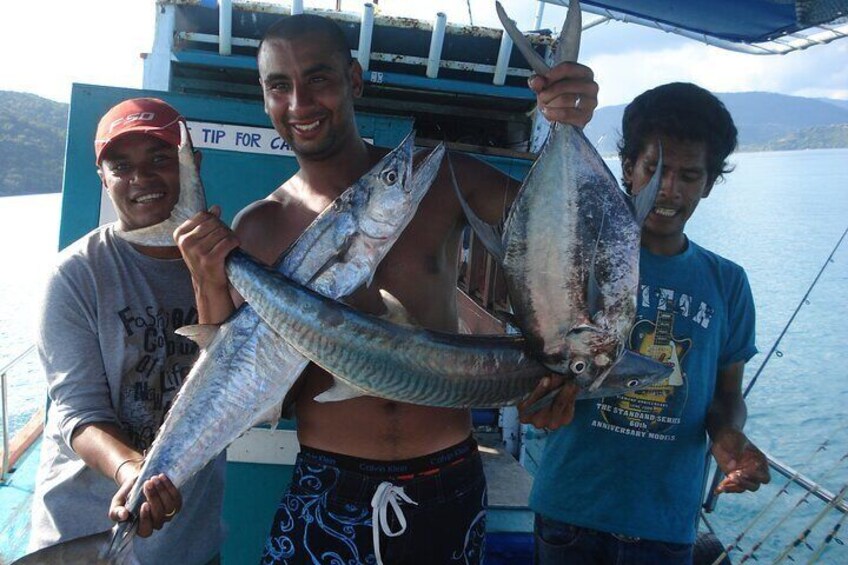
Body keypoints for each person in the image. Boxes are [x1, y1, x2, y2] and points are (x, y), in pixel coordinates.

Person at [174, 13, 596, 565]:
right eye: (280, 85)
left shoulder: (443, 179)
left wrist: (571, 130)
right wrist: (207, 279)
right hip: (329, 483)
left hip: (448, 479)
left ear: (354, 79)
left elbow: (567, 244)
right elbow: (244, 382)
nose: (299, 102)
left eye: (319, 78)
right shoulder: (259, 227)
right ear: (264, 96)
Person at [519, 82, 772, 564]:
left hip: (666, 522)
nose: (669, 190)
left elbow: (726, 395)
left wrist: (729, 438)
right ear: (629, 169)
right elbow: (536, 360)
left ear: (710, 182)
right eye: (655, 169)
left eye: (689, 175)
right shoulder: (576, 260)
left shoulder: (729, 283)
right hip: (572, 506)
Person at [29, 98, 225, 564]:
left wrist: (212, 277)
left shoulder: (231, 265)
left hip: (187, 546)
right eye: (122, 166)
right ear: (104, 179)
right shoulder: (76, 275)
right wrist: (132, 471)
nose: (142, 178)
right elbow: (77, 410)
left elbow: (239, 392)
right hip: (80, 540)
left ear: (191, 164)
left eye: (160, 158)